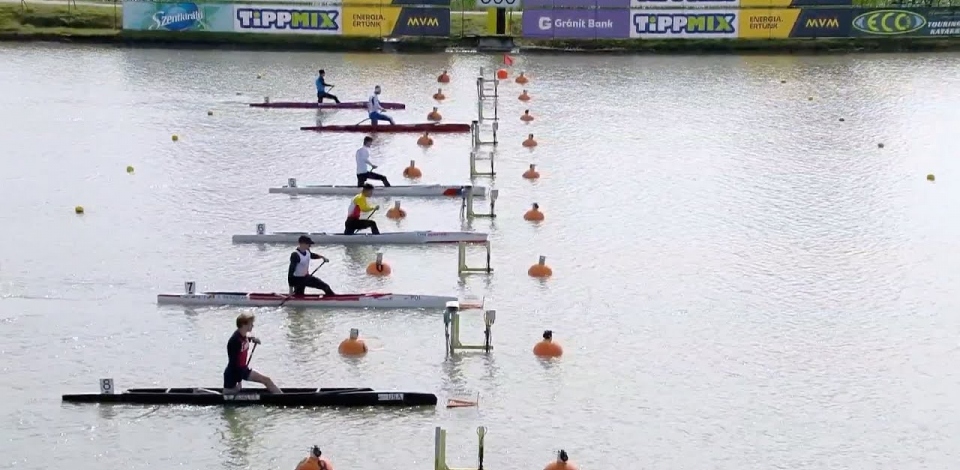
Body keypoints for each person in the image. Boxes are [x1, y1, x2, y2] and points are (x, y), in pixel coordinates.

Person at [223, 313, 282, 394]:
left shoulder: (242, 335)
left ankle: (282, 396)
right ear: (244, 324)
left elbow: (245, 339)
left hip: (242, 370)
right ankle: (283, 398)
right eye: (251, 323)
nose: (253, 325)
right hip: (233, 374)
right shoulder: (234, 341)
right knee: (227, 393)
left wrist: (252, 339)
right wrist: (239, 381)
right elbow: (234, 363)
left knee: (267, 380)